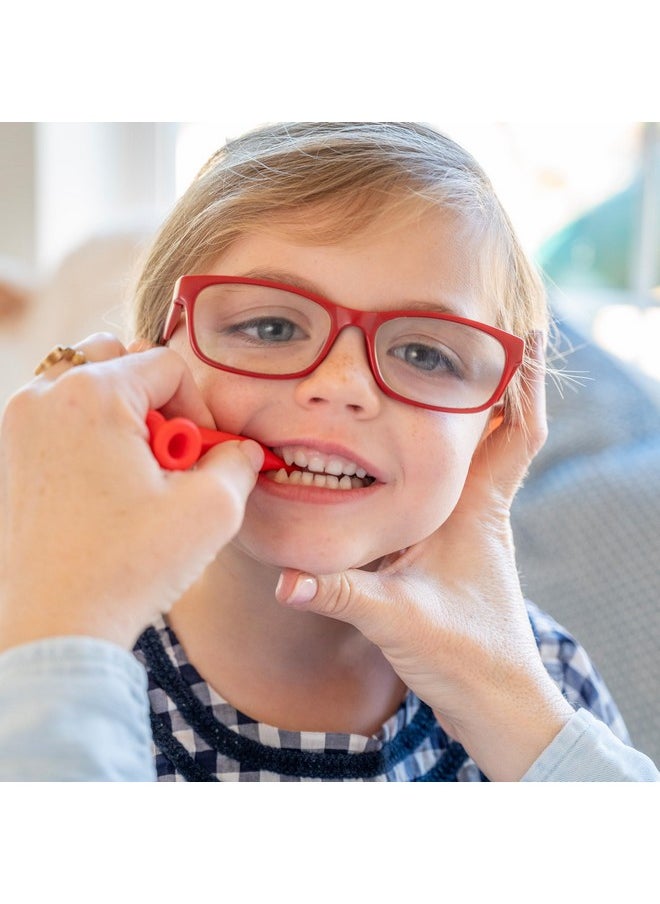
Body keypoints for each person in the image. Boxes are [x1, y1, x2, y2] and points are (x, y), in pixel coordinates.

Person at [0, 122, 657, 781]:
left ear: (497, 426)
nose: (340, 386)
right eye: (271, 326)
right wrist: (61, 637)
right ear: (149, 364)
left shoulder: (540, 680)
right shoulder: (40, 640)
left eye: (424, 353)